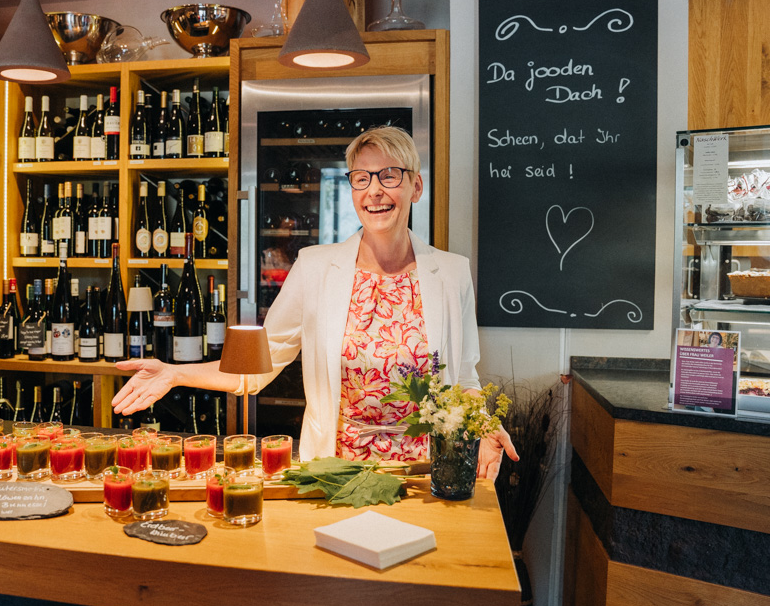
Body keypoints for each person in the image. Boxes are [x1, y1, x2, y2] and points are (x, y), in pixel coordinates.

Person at [113, 126, 518, 479]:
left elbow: (464, 379)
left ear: (415, 186)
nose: (374, 190)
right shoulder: (314, 266)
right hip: (334, 473)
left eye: (389, 176)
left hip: (426, 473)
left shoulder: (451, 273)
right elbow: (255, 366)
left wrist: (483, 426)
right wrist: (174, 374)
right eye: (362, 178)